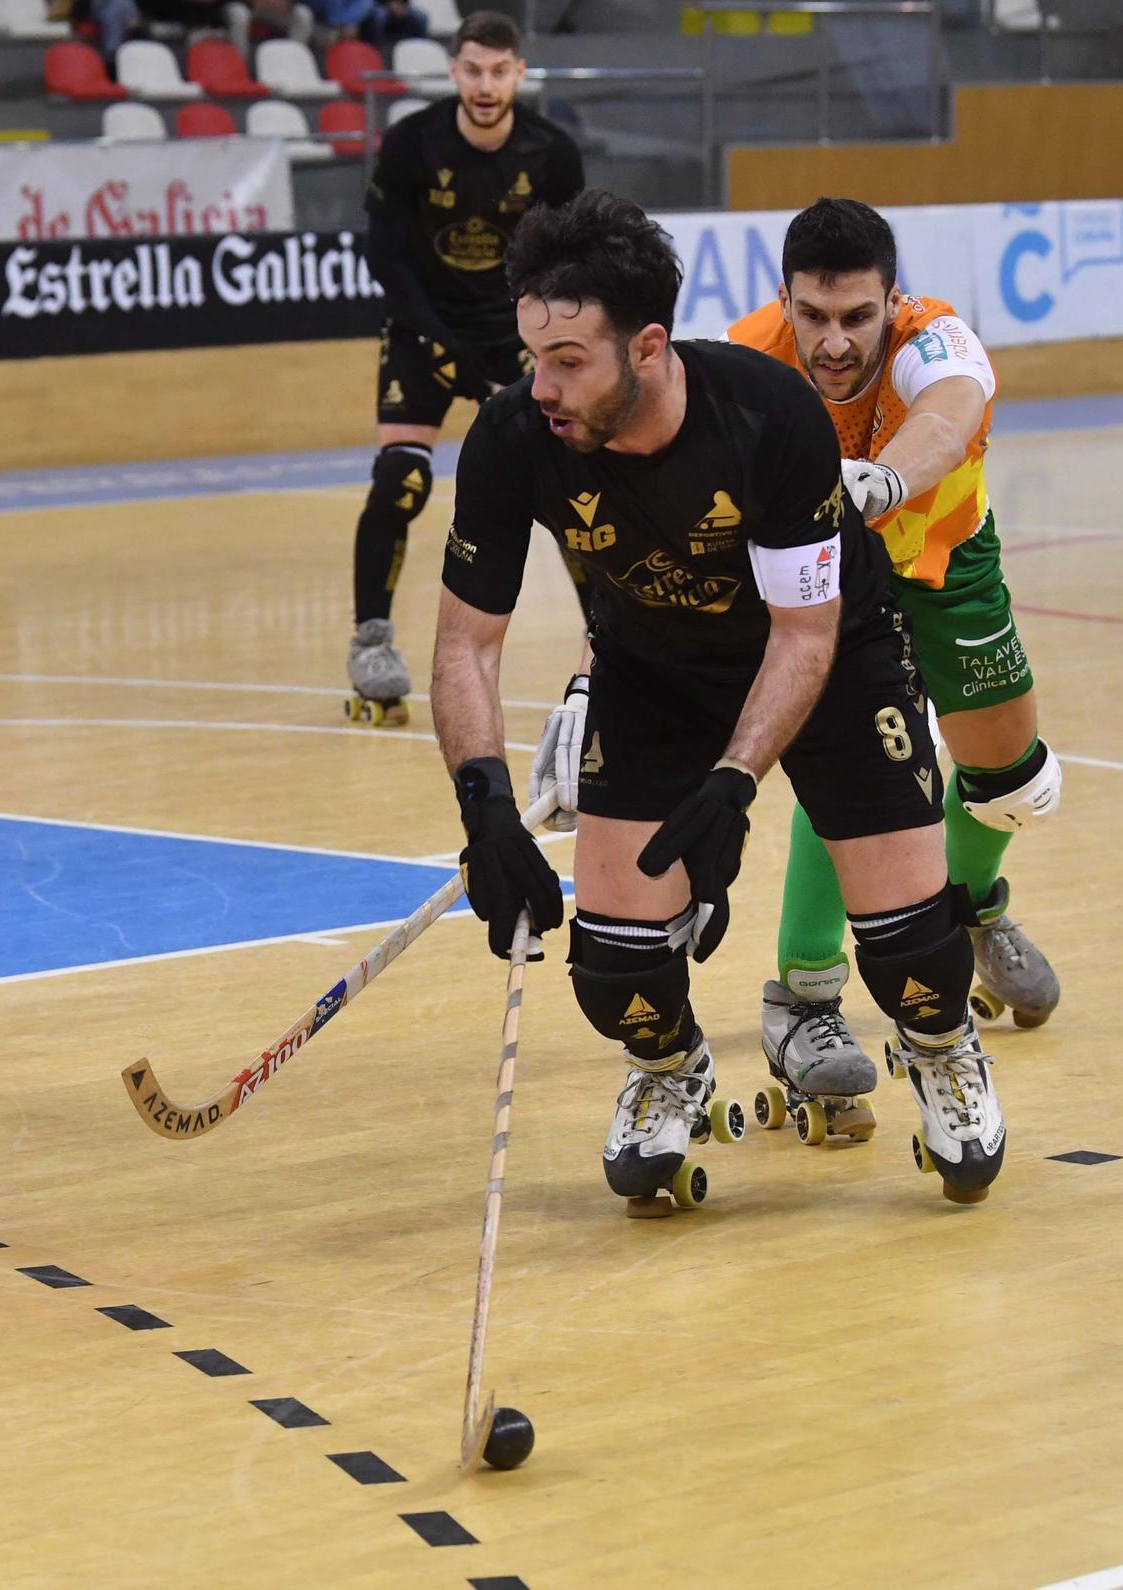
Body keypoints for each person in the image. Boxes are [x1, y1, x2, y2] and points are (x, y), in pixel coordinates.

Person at [435, 189, 1005, 1213]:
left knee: (910, 945)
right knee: (610, 967)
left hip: (832, 658)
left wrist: (734, 781)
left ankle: (941, 1048)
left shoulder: (763, 416)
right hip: (652, 669)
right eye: (533, 355)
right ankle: (669, 1071)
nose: (541, 385)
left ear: (645, 347)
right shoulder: (515, 433)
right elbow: (464, 646)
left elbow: (803, 635)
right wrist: (478, 803)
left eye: (569, 361)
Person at [718, 199, 1059, 1101]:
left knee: (1015, 780)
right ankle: (804, 992)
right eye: (814, 316)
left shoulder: (935, 341)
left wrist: (886, 478)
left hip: (946, 559)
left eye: (857, 317)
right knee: (847, 762)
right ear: (784, 299)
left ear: (891, 301)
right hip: (828, 578)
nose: (834, 342)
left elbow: (948, 416)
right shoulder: (743, 363)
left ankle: (970, 906)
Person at [346, 10, 582, 725]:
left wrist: (537, 337)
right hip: (424, 329)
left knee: (572, 478)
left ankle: (612, 637)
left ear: (518, 74)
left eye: (499, 71)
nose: (485, 85)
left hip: (513, 335)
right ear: (454, 72)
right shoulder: (414, 143)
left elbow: (568, 257)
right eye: (473, 70)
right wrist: (442, 341)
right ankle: (371, 642)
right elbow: (383, 254)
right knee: (402, 478)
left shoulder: (552, 151)